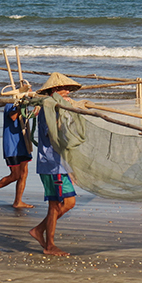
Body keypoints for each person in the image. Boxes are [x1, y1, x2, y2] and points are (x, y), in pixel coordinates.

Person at [29, 72, 82, 256]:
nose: (68, 91)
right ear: (54, 90)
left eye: (68, 88)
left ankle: (39, 230)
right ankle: (49, 245)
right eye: (64, 88)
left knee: (68, 203)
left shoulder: (55, 107)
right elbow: (52, 135)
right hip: (51, 163)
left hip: (60, 163)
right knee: (56, 205)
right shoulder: (48, 108)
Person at [0, 103, 34, 209]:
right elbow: (13, 117)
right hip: (12, 145)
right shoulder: (11, 104)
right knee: (15, 175)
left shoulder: (24, 104)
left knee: (24, 173)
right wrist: (20, 106)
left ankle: (18, 201)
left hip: (23, 143)